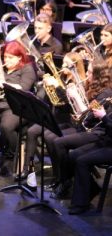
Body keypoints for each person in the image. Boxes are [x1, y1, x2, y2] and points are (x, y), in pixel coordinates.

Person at [51, 60, 112, 199]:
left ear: (99, 76)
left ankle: (65, 181)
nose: (87, 74)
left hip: (98, 132)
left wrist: (77, 98)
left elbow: (90, 117)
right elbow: (86, 115)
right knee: (55, 140)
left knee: (62, 144)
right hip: (90, 127)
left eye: (90, 72)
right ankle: (64, 180)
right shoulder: (93, 88)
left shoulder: (105, 93)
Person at [22, 51, 86, 181]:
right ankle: (28, 170)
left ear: (75, 67)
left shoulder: (80, 83)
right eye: (63, 64)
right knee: (31, 131)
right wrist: (47, 87)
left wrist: (57, 87)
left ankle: (58, 174)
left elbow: (69, 105)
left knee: (49, 137)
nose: (62, 67)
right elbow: (52, 100)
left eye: (66, 65)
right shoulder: (62, 78)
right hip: (54, 116)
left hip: (67, 120)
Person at [0, 41, 37, 175]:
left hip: (16, 106)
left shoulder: (27, 69)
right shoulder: (1, 68)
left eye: (10, 57)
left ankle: (10, 154)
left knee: (6, 127)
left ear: (19, 57)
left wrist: (2, 82)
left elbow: (23, 89)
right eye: (5, 56)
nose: (6, 60)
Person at [68, 103, 112, 215]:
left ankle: (81, 204)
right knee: (73, 155)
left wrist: (104, 117)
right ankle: (91, 188)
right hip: (107, 142)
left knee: (82, 161)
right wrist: (98, 115)